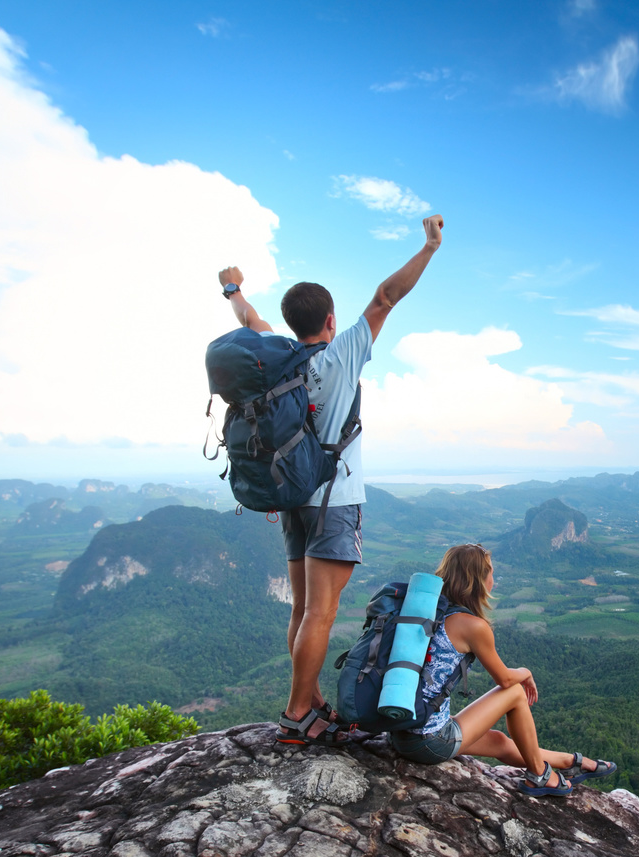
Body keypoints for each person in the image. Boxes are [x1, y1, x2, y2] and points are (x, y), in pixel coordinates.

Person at [217, 215, 444, 745]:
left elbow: (249, 319)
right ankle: (298, 714)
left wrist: (233, 289)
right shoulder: (340, 354)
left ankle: (310, 697)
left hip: (292, 496)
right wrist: (429, 247)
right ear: (331, 318)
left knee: (302, 609)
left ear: (290, 322)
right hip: (333, 502)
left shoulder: (279, 360)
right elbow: (386, 297)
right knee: (322, 611)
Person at [391, 543, 617, 795]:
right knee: (516, 693)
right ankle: (540, 775)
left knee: (499, 741)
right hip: (428, 741)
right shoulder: (471, 625)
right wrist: (526, 671)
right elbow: (505, 679)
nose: (494, 580)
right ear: (477, 580)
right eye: (491, 573)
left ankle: (570, 762)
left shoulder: (426, 612)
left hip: (401, 732)